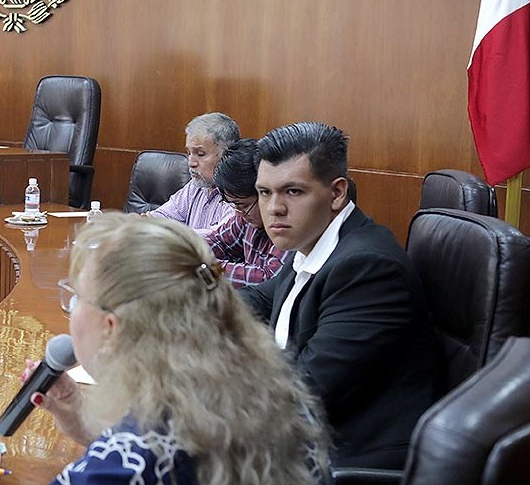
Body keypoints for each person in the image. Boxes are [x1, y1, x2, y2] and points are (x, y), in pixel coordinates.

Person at [0, 214, 332, 485]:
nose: (69, 308)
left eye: (75, 295)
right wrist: (90, 426)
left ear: (111, 326)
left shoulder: (125, 461)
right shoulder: (277, 395)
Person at [243, 122, 439, 469]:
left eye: (293, 192)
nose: (273, 208)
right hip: (301, 437)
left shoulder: (368, 268)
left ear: (337, 193)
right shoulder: (314, 243)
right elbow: (258, 300)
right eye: (264, 192)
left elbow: (302, 389)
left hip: (346, 459)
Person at [204, 138, 286, 288]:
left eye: (244, 205)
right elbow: (218, 241)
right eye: (235, 205)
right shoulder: (243, 218)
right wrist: (193, 255)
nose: (239, 213)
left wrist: (209, 269)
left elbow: (268, 280)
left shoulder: (288, 225)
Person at [148, 112, 239, 234]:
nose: (191, 163)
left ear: (227, 155)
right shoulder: (195, 186)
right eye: (189, 153)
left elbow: (218, 238)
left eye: (200, 154)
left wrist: (171, 235)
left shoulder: (238, 196)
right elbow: (163, 216)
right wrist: (142, 222)